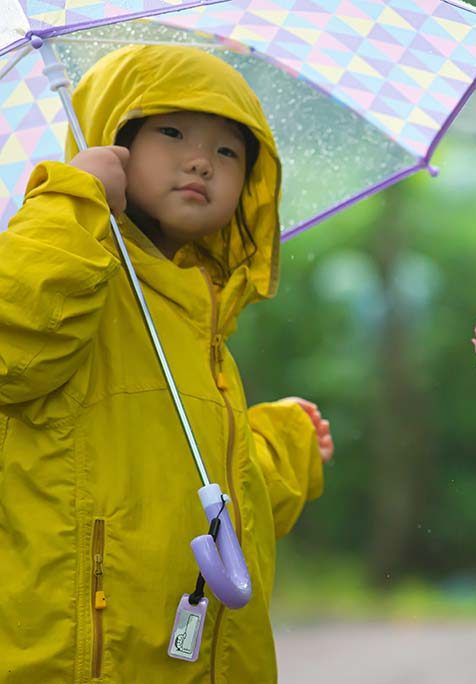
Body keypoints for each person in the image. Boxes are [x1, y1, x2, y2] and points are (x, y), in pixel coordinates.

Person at [0, 44, 333, 682]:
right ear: (110, 140)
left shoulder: (197, 318)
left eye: (229, 151)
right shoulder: (69, 265)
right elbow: (18, 337)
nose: (201, 160)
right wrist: (74, 197)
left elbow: (197, 481)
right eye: (172, 132)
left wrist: (282, 448)